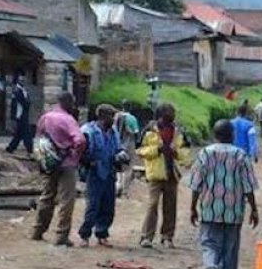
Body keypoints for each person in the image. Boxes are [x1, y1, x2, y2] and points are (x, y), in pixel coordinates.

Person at [190, 119, 259, 269]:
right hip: (233, 211)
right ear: (232, 135)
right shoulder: (240, 155)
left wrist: (192, 208)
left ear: (215, 135)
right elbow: (248, 186)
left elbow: (196, 184)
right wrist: (254, 208)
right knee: (230, 248)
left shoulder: (205, 153)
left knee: (209, 243)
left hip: (209, 208)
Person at [31, 93, 85, 246]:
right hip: (67, 164)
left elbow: (38, 138)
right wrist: (75, 154)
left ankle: (38, 230)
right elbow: (80, 140)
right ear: (67, 102)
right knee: (66, 200)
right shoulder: (68, 119)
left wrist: (43, 158)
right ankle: (61, 235)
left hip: (48, 163)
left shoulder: (45, 117)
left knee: (47, 196)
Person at [137, 103, 190, 249]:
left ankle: (167, 237)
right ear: (161, 114)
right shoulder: (149, 131)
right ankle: (146, 236)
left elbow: (185, 151)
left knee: (170, 206)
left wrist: (177, 154)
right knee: (152, 204)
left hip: (172, 173)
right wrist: (157, 150)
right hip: (155, 173)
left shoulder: (178, 131)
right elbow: (139, 150)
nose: (173, 114)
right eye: (170, 111)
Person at [78, 104, 125, 248]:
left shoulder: (113, 131)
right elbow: (81, 151)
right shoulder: (88, 131)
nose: (113, 119)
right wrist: (88, 162)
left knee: (108, 206)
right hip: (95, 172)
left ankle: (102, 233)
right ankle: (85, 235)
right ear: (103, 116)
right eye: (111, 116)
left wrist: (121, 156)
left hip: (110, 171)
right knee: (93, 206)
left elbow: (118, 148)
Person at [114, 101, 141, 197]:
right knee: (128, 168)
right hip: (129, 144)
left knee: (117, 167)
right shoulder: (132, 118)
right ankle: (125, 190)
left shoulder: (116, 117)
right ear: (130, 108)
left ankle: (117, 186)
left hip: (116, 144)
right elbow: (136, 132)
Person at [6, 74, 32, 155]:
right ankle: (30, 149)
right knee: (26, 133)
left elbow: (28, 101)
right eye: (21, 80)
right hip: (20, 115)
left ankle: (10, 148)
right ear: (17, 81)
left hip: (23, 114)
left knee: (19, 134)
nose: (23, 81)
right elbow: (25, 103)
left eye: (23, 80)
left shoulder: (23, 90)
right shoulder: (17, 91)